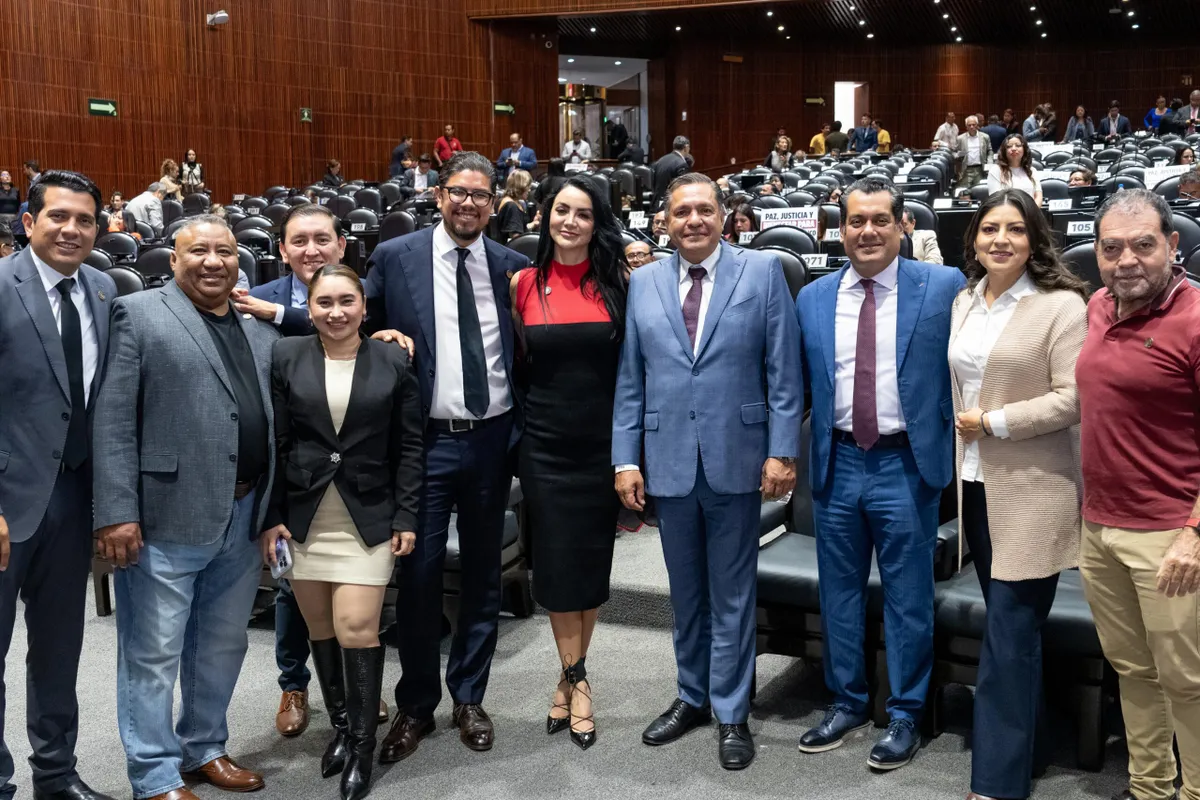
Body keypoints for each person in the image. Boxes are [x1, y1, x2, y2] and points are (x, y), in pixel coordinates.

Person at [614, 173, 801, 771]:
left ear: (726, 216)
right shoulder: (642, 281)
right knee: (687, 593)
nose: (692, 220)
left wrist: (782, 451)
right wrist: (626, 457)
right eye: (680, 212)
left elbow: (783, 371)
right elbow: (630, 380)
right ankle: (691, 695)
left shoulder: (762, 272)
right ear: (664, 220)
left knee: (733, 594)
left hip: (738, 459)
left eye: (704, 210)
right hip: (667, 460)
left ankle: (732, 710)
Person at [93, 215, 280, 800]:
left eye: (225, 251)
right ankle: (153, 774)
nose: (213, 261)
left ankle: (205, 748)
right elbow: (114, 419)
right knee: (153, 654)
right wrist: (116, 511)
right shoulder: (140, 314)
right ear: (173, 259)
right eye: (197, 251)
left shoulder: (258, 330)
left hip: (244, 514)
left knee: (222, 644)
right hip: (164, 516)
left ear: (240, 261)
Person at [795, 177, 965, 770]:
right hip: (837, 460)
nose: (867, 231)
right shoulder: (812, 297)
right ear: (839, 230)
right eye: (855, 222)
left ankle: (906, 712)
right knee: (837, 591)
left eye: (879, 221)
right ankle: (845, 701)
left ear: (903, 226)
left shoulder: (943, 286)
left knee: (908, 595)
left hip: (905, 463)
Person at [364, 151, 527, 761]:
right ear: (438, 195)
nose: (469, 204)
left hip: (492, 439)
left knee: (484, 572)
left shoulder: (513, 266)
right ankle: (415, 707)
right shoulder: (394, 257)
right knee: (421, 575)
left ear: (495, 203)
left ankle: (469, 696)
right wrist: (379, 338)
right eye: (458, 192)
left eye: (481, 196)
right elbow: (361, 330)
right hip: (424, 443)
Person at [230, 204, 397, 737]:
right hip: (294, 477)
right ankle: (294, 685)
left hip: (354, 483)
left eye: (322, 239)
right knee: (291, 594)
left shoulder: (348, 296)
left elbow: (356, 336)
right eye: (298, 241)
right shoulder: (256, 302)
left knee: (348, 613)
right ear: (281, 250)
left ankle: (355, 701)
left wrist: (392, 337)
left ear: (341, 245)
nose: (311, 250)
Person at [263, 264, 423, 800]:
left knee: (357, 625)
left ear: (363, 306)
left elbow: (410, 446)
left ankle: (359, 745)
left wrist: (406, 516)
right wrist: (272, 516)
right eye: (324, 302)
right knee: (320, 629)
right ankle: (339, 724)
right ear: (309, 307)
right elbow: (278, 443)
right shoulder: (286, 356)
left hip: (369, 514)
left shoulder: (393, 358)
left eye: (346, 301)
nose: (336, 312)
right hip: (305, 517)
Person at [949, 189, 1089, 800]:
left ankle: (998, 782)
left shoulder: (1063, 307)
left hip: (1034, 488)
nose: (999, 239)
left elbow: (1072, 398)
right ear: (974, 239)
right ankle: (1030, 747)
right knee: (1017, 631)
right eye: (988, 229)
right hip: (975, 488)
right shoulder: (963, 301)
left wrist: (994, 422)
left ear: (1035, 239)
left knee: (1006, 632)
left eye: (1014, 229)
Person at [1076, 189, 1200, 800]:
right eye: (1112, 247)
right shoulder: (1098, 306)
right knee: (1133, 670)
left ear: (1173, 246)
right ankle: (1151, 788)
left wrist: (1194, 533)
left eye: (1144, 245)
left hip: (1172, 534)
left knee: (1188, 680)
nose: (1127, 260)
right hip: (1099, 528)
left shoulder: (1197, 318)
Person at [0, 171, 117, 800]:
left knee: (58, 648)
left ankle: (55, 773)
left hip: (73, 499)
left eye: (85, 220)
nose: (72, 229)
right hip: (5, 502)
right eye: (59, 217)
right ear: (29, 221)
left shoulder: (100, 289)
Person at [511, 176, 626, 751]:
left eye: (583, 213)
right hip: (544, 446)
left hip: (601, 448)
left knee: (590, 566)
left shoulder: (618, 283)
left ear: (596, 221)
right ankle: (580, 683)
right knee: (556, 568)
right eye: (562, 210)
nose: (571, 221)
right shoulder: (523, 284)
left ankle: (568, 676)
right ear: (545, 216)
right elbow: (515, 367)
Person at [987, 135, 1042, 206]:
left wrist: (1031, 213)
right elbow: (995, 201)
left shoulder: (1032, 170)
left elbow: (1038, 197)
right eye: (1009, 146)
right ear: (1004, 151)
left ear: (1024, 149)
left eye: (1018, 145)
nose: (1013, 148)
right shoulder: (995, 170)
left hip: (1030, 213)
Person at [955, 115, 993, 190]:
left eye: (973, 124)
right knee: (964, 192)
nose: (971, 127)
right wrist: (959, 155)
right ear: (966, 127)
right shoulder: (960, 138)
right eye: (969, 125)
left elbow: (990, 151)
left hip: (980, 169)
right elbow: (955, 153)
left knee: (980, 191)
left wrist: (990, 163)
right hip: (966, 170)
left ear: (977, 125)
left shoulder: (985, 137)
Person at [651, 136, 690, 207]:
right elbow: (682, 188)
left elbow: (653, 183)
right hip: (671, 204)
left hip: (657, 203)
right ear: (686, 147)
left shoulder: (661, 160)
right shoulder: (681, 164)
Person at [495, 169, 532, 242]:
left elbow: (518, 227)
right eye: (528, 186)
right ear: (520, 186)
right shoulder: (512, 206)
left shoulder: (502, 200)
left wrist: (534, 224)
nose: (529, 190)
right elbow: (516, 239)